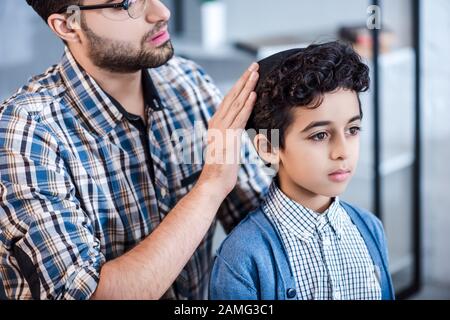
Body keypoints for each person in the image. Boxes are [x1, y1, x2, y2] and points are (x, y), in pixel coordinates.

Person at [0, 0, 271, 300]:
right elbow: (88, 295)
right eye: (126, 4)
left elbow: (265, 223)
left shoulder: (187, 83)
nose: (161, 12)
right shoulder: (25, 133)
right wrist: (211, 186)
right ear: (68, 25)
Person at [209, 41, 395, 300]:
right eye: (320, 135)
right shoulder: (241, 258)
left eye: (352, 130)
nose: (342, 151)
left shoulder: (370, 229)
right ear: (269, 148)